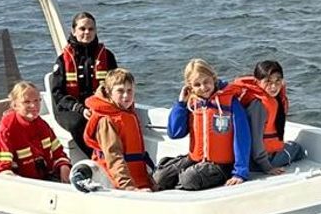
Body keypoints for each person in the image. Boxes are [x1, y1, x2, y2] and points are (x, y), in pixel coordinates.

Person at [153, 59, 251, 191]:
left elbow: (242, 138)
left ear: (213, 78)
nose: (203, 88)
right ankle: (177, 175)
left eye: (206, 82)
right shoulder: (192, 104)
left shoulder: (230, 103)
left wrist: (240, 172)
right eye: (197, 84)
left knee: (189, 179)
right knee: (159, 178)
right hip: (195, 159)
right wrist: (180, 104)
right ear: (190, 86)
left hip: (221, 165)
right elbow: (175, 133)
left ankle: (182, 179)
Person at [49, 11, 118, 157]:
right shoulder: (63, 60)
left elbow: (117, 84)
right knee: (78, 123)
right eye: (82, 29)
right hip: (69, 109)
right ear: (74, 31)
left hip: (98, 104)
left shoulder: (107, 56)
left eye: (91, 29)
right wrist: (80, 109)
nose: (87, 32)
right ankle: (96, 156)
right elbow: (58, 94)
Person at [83, 68, 155, 191]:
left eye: (130, 90)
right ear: (109, 92)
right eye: (120, 91)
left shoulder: (127, 113)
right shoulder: (107, 120)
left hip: (137, 178)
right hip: (116, 184)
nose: (126, 95)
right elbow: (114, 157)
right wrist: (129, 188)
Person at [232, 59, 306, 175]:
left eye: (278, 81)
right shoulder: (259, 105)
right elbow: (256, 141)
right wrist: (267, 167)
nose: (273, 86)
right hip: (259, 161)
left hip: (262, 156)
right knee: (298, 149)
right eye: (268, 82)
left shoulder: (267, 98)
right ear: (257, 82)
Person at [0, 81, 72, 182]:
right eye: (27, 102)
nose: (34, 106)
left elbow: (58, 153)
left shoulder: (42, 125)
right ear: (15, 105)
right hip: (24, 186)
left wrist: (64, 166)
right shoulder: (6, 131)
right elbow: (1, 170)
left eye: (37, 101)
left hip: (47, 179)